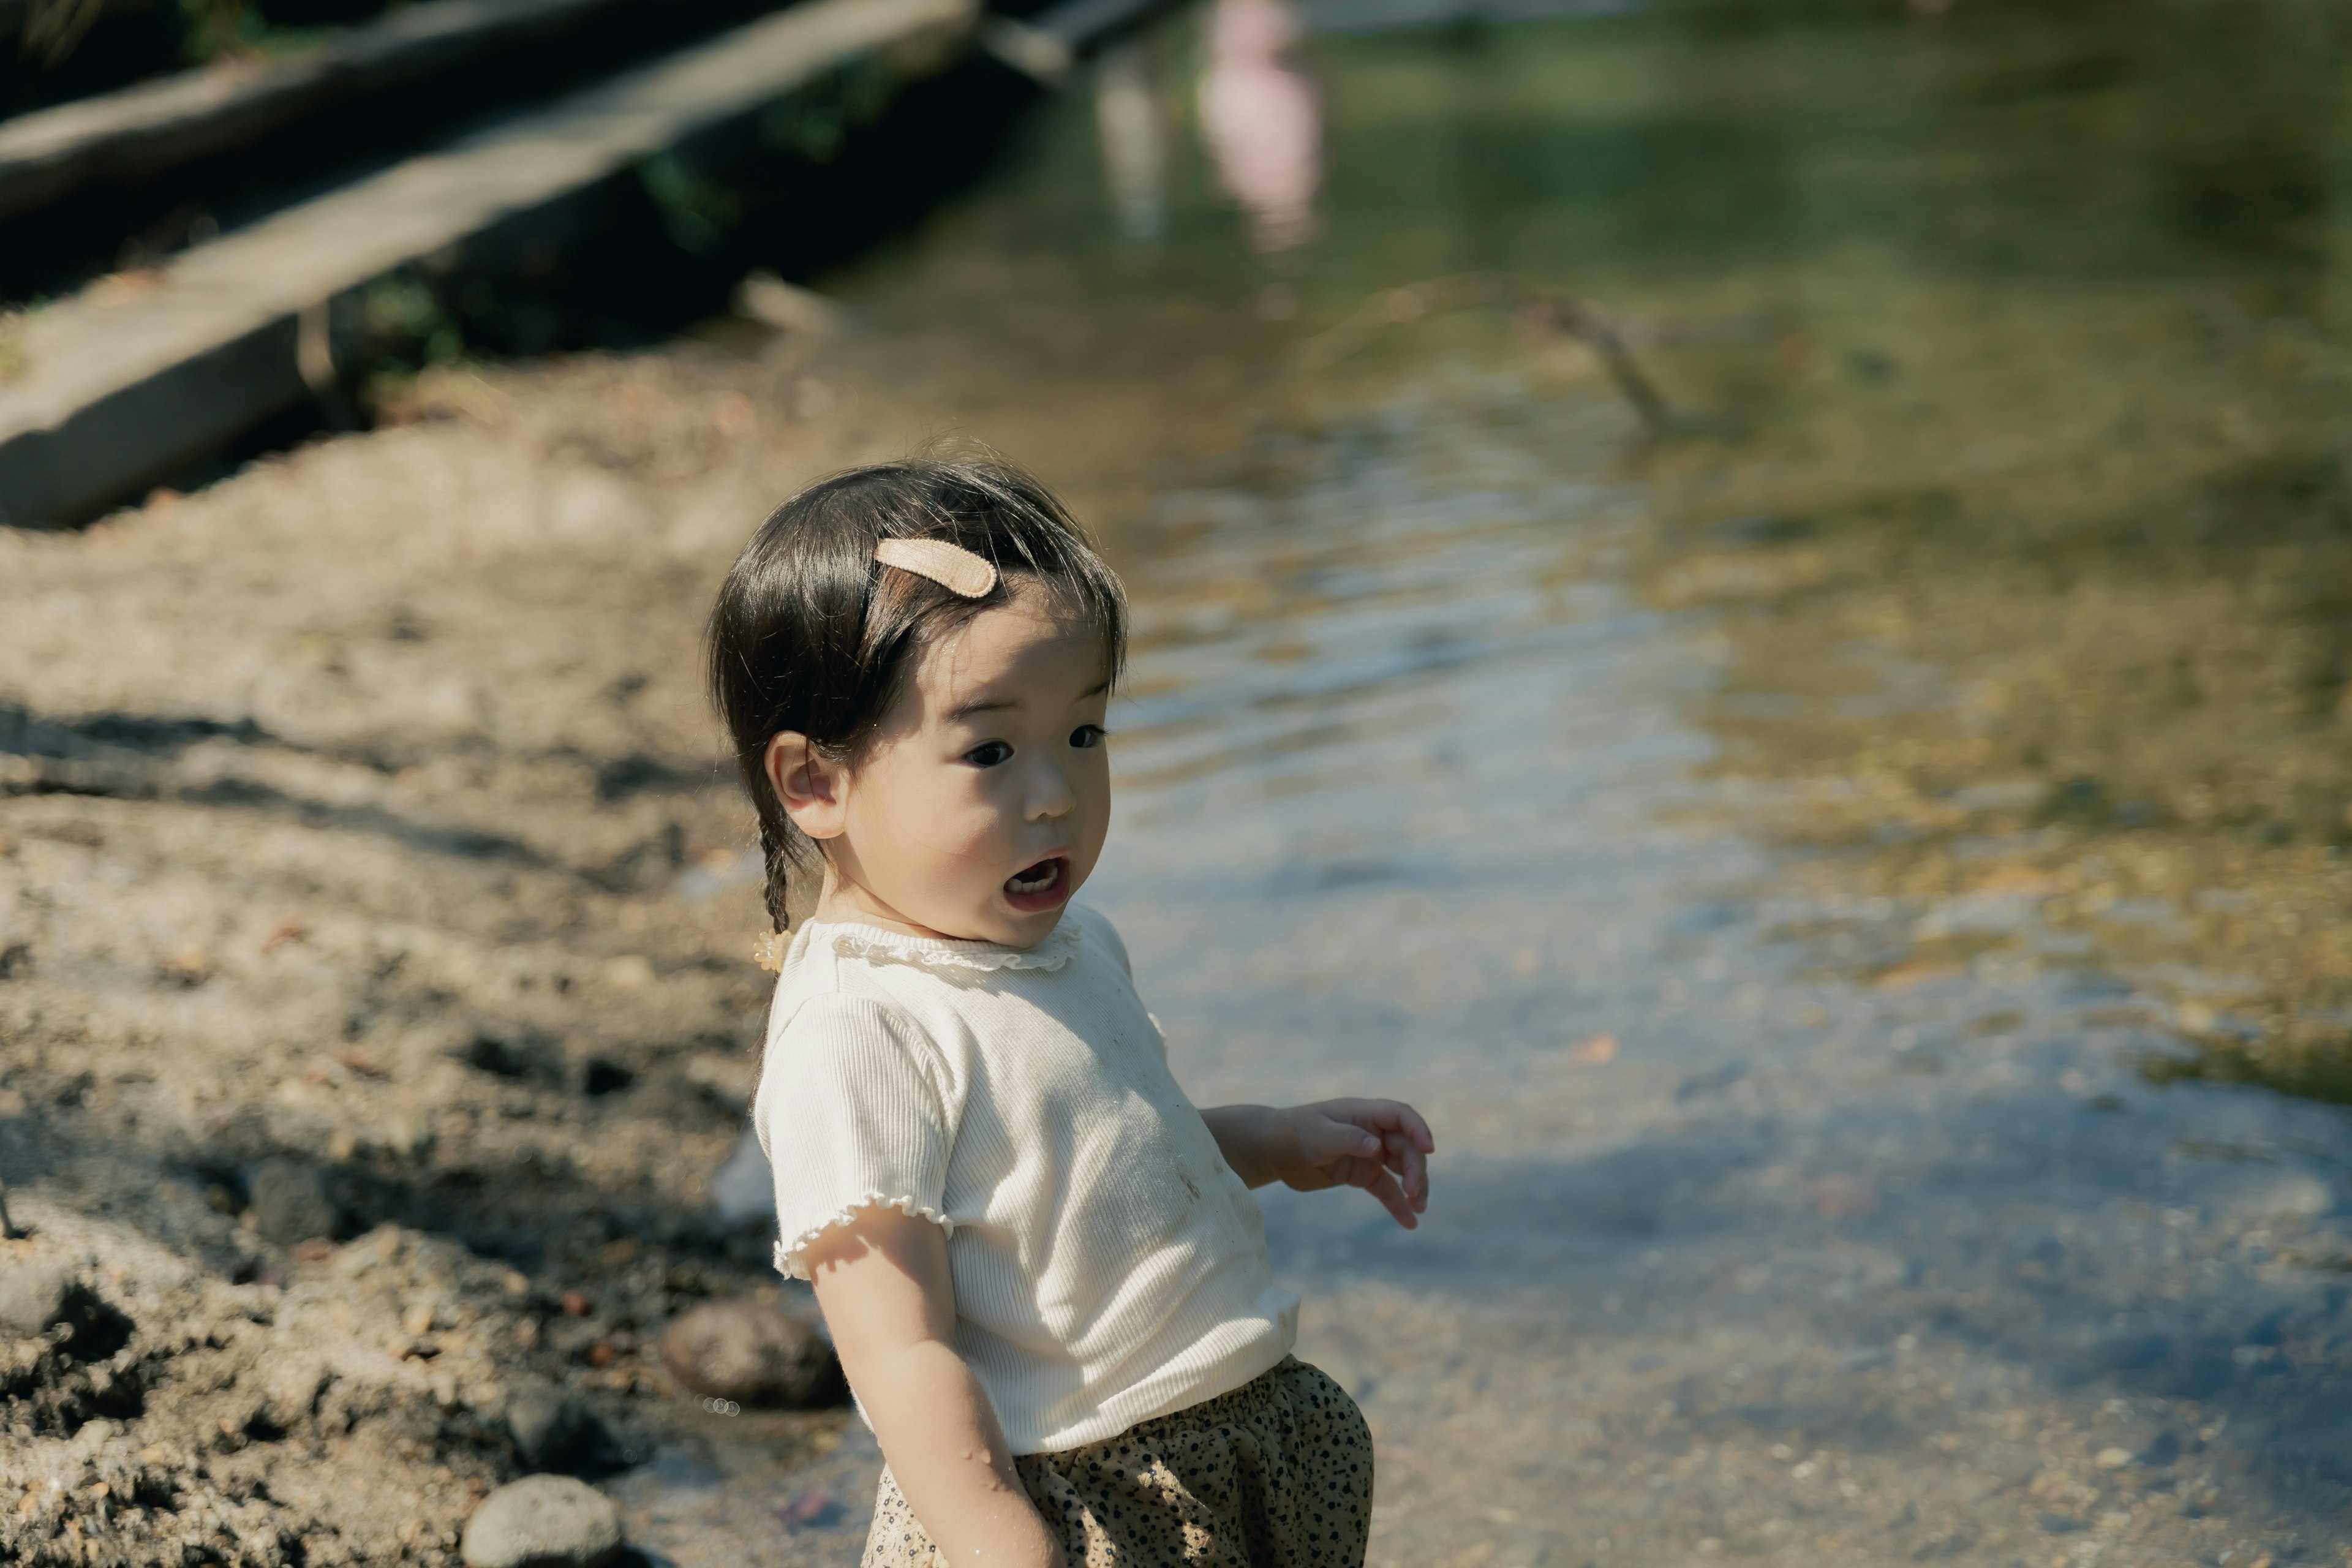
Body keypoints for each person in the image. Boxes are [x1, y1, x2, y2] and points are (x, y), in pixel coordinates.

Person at [706, 455, 1434, 1568]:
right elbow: (898, 1347)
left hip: (1235, 1436)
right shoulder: (862, 1028)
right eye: (990, 750)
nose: (1056, 793)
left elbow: (1094, 1164)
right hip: (1071, 1490)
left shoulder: (1072, 944)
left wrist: (1279, 1141)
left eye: (1084, 734)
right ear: (817, 783)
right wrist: (999, 1539)